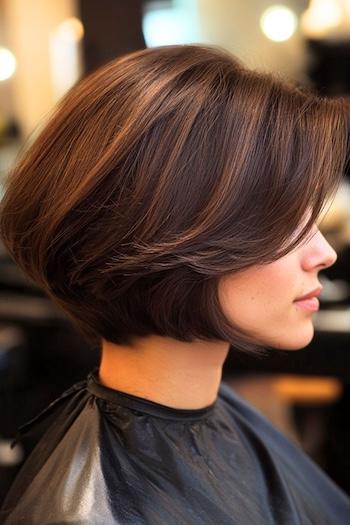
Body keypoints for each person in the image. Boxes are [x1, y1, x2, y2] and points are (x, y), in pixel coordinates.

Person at [0, 44, 349, 525]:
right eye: (286, 223)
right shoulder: (89, 512)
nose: (324, 254)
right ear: (174, 237)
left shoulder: (211, 407)